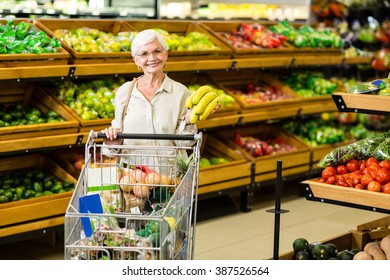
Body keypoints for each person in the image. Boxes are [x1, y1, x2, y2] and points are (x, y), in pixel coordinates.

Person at [101, 29, 199, 166]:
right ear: (136, 60)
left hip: (169, 178)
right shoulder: (125, 92)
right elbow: (115, 144)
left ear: (165, 55)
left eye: (157, 51)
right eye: (144, 54)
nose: (152, 58)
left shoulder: (181, 93)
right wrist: (112, 142)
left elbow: (184, 144)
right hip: (133, 179)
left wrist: (188, 122)